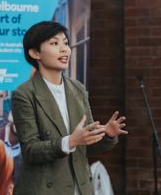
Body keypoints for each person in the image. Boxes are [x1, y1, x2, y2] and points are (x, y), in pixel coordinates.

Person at [11, 21, 128, 195]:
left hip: (80, 188)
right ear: (35, 53)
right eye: (54, 43)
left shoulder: (78, 89)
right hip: (44, 189)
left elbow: (85, 146)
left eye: (65, 43)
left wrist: (108, 135)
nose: (64, 49)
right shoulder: (24, 93)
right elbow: (30, 151)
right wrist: (70, 141)